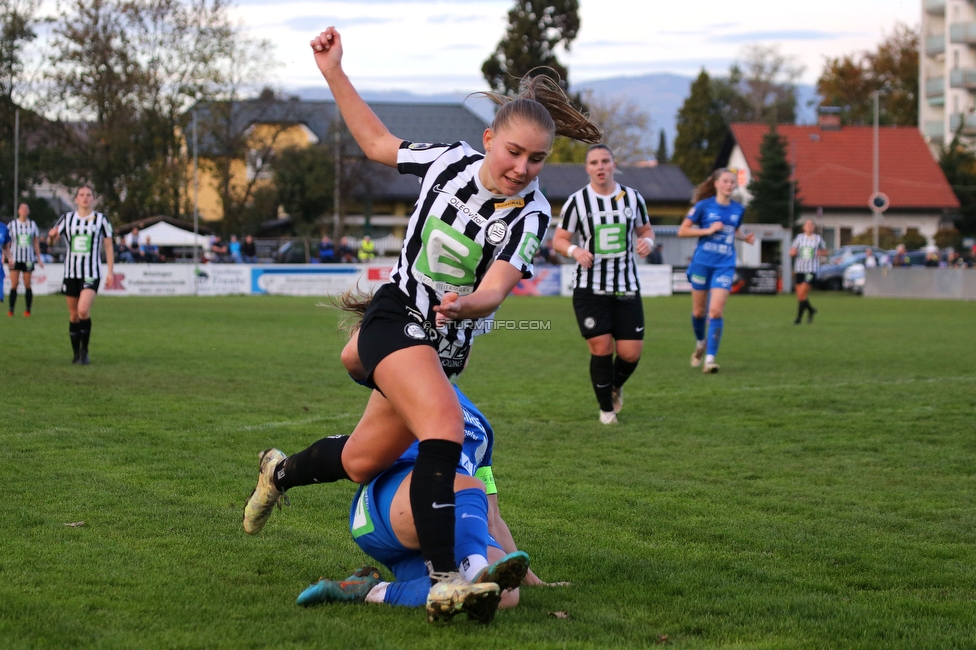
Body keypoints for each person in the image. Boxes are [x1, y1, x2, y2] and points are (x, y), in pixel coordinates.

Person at [243, 25, 600, 621]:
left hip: (439, 351)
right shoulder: (448, 162)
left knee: (360, 461)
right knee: (444, 424)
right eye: (514, 152)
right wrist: (332, 71)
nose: (522, 168)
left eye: (537, 159)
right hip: (397, 313)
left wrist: (470, 305)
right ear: (489, 140)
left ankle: (277, 472)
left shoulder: (533, 216)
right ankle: (444, 578)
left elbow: (497, 289)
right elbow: (378, 142)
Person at [293, 386, 545, 622]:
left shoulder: (482, 429)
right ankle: (474, 567)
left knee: (503, 594)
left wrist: (532, 580)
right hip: (392, 503)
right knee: (467, 487)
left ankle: (371, 590)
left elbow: (492, 516)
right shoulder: (404, 381)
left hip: (451, 516)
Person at [552, 144, 654, 424]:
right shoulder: (577, 201)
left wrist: (648, 241)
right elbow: (559, 240)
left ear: (613, 164)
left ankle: (615, 384)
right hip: (590, 288)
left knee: (630, 353)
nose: (600, 166)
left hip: (626, 287)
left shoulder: (632, 198)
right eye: (594, 162)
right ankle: (607, 411)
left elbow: (645, 229)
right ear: (587, 168)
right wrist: (575, 251)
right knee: (601, 347)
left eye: (605, 161)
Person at [677, 168, 755, 374]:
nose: (730, 185)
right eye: (726, 181)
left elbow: (733, 229)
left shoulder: (738, 209)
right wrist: (708, 230)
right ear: (716, 184)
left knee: (716, 311)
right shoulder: (703, 206)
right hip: (702, 263)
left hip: (725, 263)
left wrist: (744, 237)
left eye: (732, 182)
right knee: (699, 312)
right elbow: (682, 230)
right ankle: (700, 343)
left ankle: (710, 359)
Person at [48, 185, 114, 365]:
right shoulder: (67, 218)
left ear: (93, 199)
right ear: (76, 199)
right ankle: (76, 353)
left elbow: (108, 246)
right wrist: (51, 236)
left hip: (91, 273)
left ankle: (85, 351)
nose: (85, 198)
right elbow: (51, 242)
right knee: (73, 315)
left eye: (88, 195)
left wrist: (110, 271)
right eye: (81, 195)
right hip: (71, 273)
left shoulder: (101, 220)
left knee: (83, 310)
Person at [6, 203, 44, 317]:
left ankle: (27, 310)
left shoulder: (32, 225)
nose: (24, 210)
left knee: (27, 283)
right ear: (18, 211)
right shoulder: (12, 225)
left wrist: (39, 258)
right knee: (14, 284)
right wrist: (6, 257)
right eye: (22, 208)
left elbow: (35, 242)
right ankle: (11, 309)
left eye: (26, 209)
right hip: (15, 258)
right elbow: (7, 242)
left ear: (28, 211)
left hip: (28, 258)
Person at [789, 219, 827, 325]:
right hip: (799, 269)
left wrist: (821, 253)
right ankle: (811, 310)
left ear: (814, 227)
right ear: (803, 227)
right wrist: (792, 252)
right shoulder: (799, 238)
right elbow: (792, 250)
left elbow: (825, 251)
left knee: (802, 293)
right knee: (800, 296)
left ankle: (798, 319)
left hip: (811, 269)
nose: (809, 226)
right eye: (807, 224)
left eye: (811, 224)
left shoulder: (818, 239)